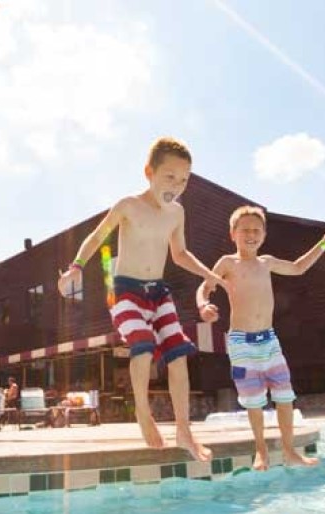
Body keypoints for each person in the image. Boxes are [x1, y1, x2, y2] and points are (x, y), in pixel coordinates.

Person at [57, 137, 226, 462]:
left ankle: (183, 430)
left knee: (177, 353)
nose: (177, 186)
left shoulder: (177, 213)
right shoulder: (129, 205)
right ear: (149, 172)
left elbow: (180, 254)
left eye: (184, 180)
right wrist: (75, 268)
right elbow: (96, 238)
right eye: (169, 177)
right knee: (144, 344)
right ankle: (144, 415)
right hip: (125, 288)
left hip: (157, 290)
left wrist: (210, 275)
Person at [197, 206, 325, 470]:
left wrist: (324, 244)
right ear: (233, 234)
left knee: (285, 397)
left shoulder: (267, 262)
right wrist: (204, 304)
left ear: (264, 234)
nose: (251, 234)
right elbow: (205, 286)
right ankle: (261, 451)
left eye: (257, 230)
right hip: (240, 342)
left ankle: (289, 450)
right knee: (254, 401)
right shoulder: (227, 263)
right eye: (245, 230)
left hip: (270, 340)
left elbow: (298, 267)